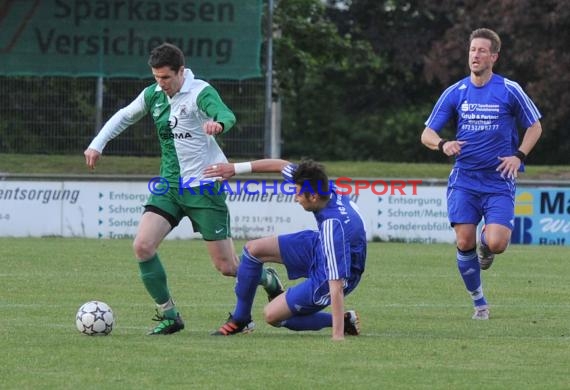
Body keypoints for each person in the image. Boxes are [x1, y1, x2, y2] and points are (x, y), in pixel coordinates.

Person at [83, 43, 283, 335]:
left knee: (227, 267)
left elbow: (226, 114)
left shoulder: (200, 92)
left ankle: (268, 278)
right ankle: (170, 315)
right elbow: (125, 115)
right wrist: (96, 144)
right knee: (142, 246)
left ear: (180, 71)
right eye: (155, 77)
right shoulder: (154, 94)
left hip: (204, 187)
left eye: (165, 77)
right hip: (169, 186)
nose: (160, 84)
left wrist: (218, 125)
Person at [420, 28, 542, 320]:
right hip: (464, 179)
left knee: (497, 242)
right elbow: (426, 133)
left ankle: (487, 248)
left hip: (498, 180)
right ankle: (479, 302)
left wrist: (519, 155)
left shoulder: (509, 89)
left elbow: (535, 126)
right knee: (464, 241)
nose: (475, 55)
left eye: (482, 50)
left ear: (494, 57)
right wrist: (443, 144)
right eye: (472, 50)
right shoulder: (456, 91)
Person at [203, 159, 366, 340]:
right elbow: (281, 165)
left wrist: (337, 337)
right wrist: (234, 168)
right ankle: (241, 319)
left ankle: (341, 323)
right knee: (253, 249)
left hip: (338, 270)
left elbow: (336, 284)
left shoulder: (332, 226)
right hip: (319, 244)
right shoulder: (321, 185)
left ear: (313, 197)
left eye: (298, 194)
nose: (295, 199)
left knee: (272, 316)